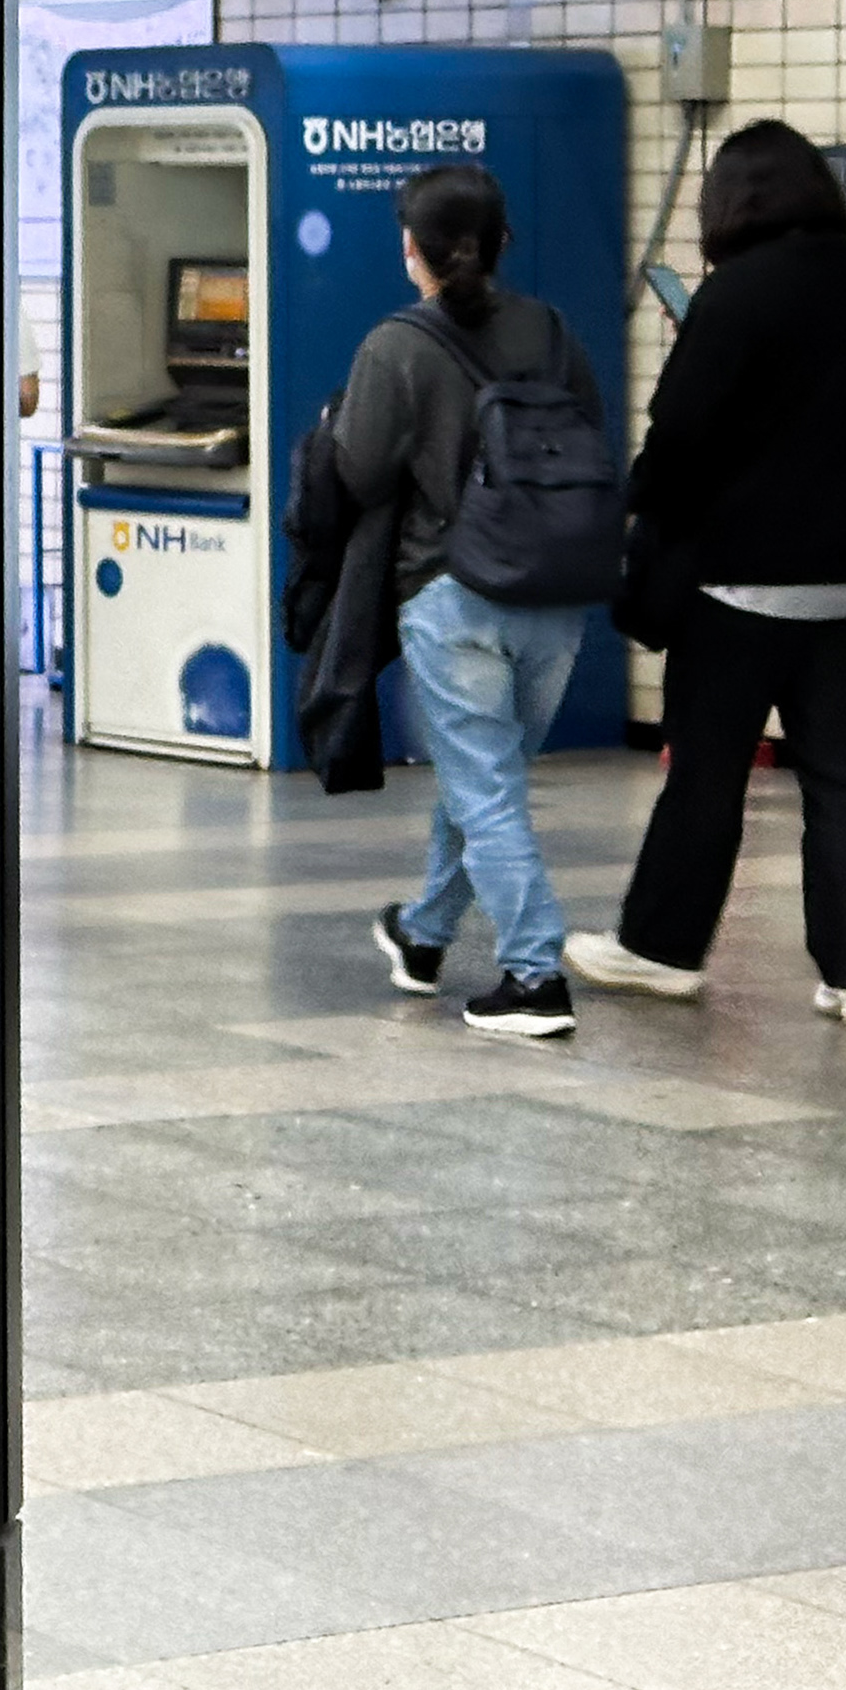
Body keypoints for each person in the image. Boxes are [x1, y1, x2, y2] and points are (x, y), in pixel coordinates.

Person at [568, 121, 846, 1027]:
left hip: (743, 582)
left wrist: (638, 502)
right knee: (844, 779)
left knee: (708, 772)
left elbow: (683, 434)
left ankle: (662, 948)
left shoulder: (735, 297)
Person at [341, 164, 605, 1041]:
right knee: (486, 779)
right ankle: (423, 937)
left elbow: (360, 471)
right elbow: (592, 437)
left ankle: (534, 975)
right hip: (554, 594)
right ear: (503, 243)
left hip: (453, 595)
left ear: (410, 249)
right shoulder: (554, 332)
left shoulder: (395, 345)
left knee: (485, 789)